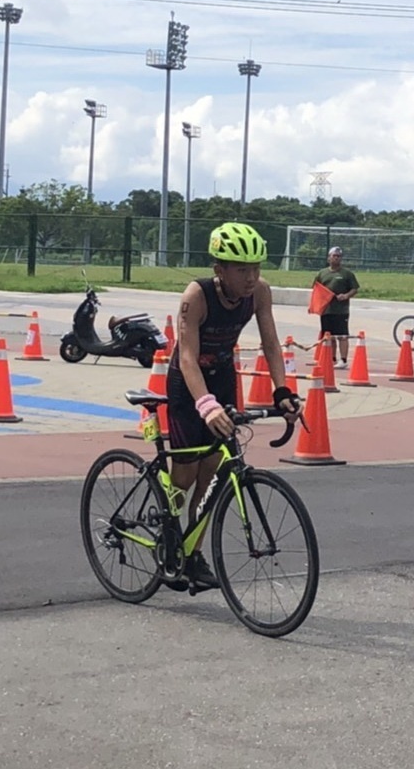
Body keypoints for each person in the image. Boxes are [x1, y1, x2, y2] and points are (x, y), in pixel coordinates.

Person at [167, 222, 302, 592]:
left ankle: (190, 553)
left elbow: (271, 344)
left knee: (211, 474)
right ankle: (170, 535)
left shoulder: (259, 292)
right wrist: (206, 405)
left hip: (224, 373)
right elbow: (189, 358)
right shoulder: (195, 296)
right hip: (188, 382)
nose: (251, 277)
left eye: (256, 268)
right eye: (242, 269)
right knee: (184, 475)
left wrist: (281, 391)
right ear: (219, 269)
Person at [313, 246, 360, 365]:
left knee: (342, 335)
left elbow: (355, 289)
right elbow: (316, 288)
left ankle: (343, 360)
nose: (336, 258)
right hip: (326, 309)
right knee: (329, 336)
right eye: (334, 256)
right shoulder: (322, 273)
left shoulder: (347, 274)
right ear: (329, 258)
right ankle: (331, 358)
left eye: (339, 256)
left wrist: (346, 296)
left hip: (341, 310)